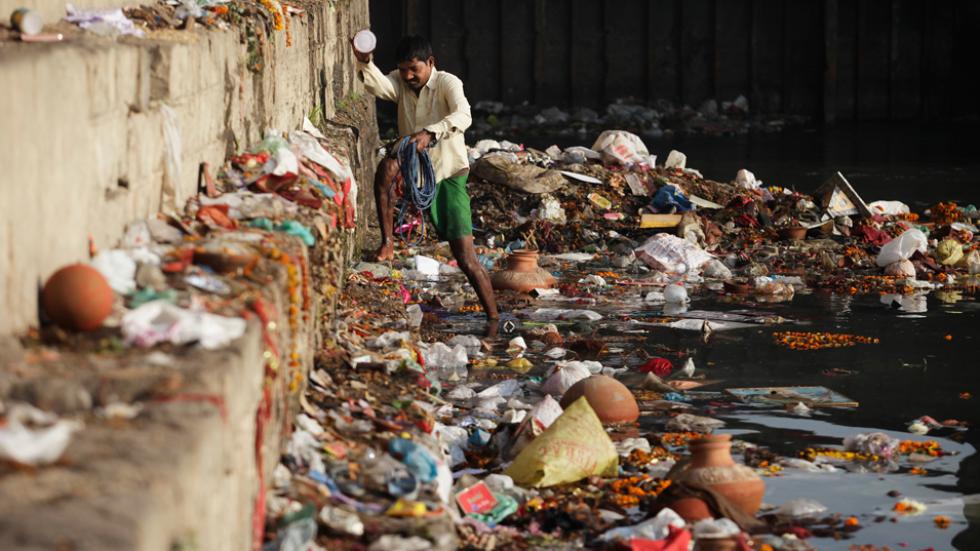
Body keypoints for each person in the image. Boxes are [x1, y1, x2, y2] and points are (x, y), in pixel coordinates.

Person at [353, 34, 499, 320]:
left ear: (430, 63)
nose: (408, 76)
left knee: (466, 258)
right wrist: (365, 62)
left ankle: (494, 318)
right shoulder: (401, 81)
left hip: (448, 174)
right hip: (415, 170)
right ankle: (387, 243)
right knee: (386, 168)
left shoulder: (447, 82)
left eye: (414, 70)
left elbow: (464, 114)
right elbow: (379, 86)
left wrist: (431, 131)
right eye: (403, 69)